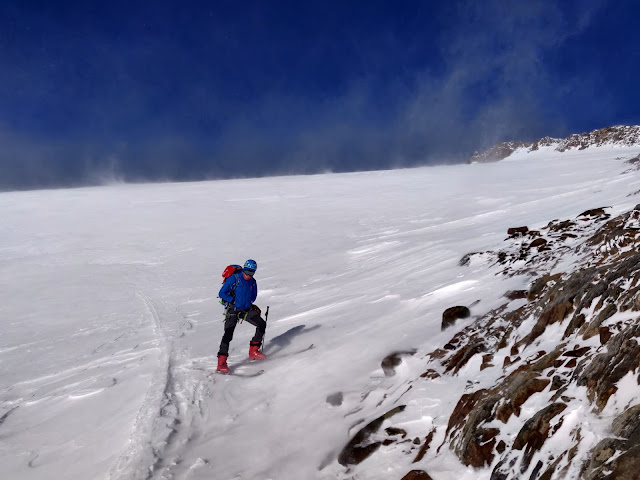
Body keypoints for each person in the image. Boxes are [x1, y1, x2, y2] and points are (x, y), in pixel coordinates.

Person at [217, 259, 267, 373]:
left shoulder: (253, 282)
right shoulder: (234, 279)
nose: (249, 275)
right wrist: (233, 300)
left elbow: (253, 297)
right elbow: (222, 293)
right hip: (233, 310)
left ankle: (253, 352)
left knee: (261, 324)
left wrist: (247, 303)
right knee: (228, 335)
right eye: (247, 272)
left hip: (246, 310)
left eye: (252, 273)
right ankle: (221, 362)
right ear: (244, 269)